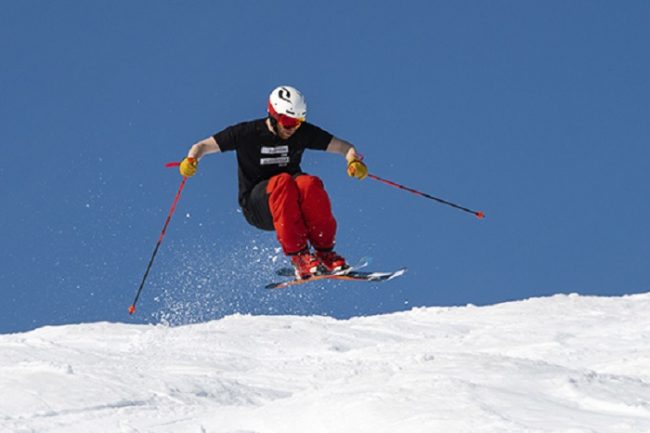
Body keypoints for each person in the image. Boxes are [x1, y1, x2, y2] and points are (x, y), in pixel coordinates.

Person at [179, 85, 368, 279]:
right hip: (258, 206)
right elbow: (201, 146)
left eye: (298, 122)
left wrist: (353, 160)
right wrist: (192, 159)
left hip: (290, 204)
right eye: (287, 121)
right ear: (273, 115)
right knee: (283, 181)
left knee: (309, 184)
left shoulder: (301, 133)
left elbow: (344, 147)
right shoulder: (246, 133)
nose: (292, 128)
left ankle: (324, 253)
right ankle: (300, 257)